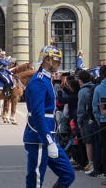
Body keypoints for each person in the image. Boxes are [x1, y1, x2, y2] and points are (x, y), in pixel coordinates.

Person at [23, 45, 75, 188]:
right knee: (36, 180)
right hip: (40, 137)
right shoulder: (39, 81)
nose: (60, 63)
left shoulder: (46, 79)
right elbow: (38, 113)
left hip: (49, 135)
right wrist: (47, 139)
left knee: (68, 175)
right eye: (57, 60)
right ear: (47, 60)